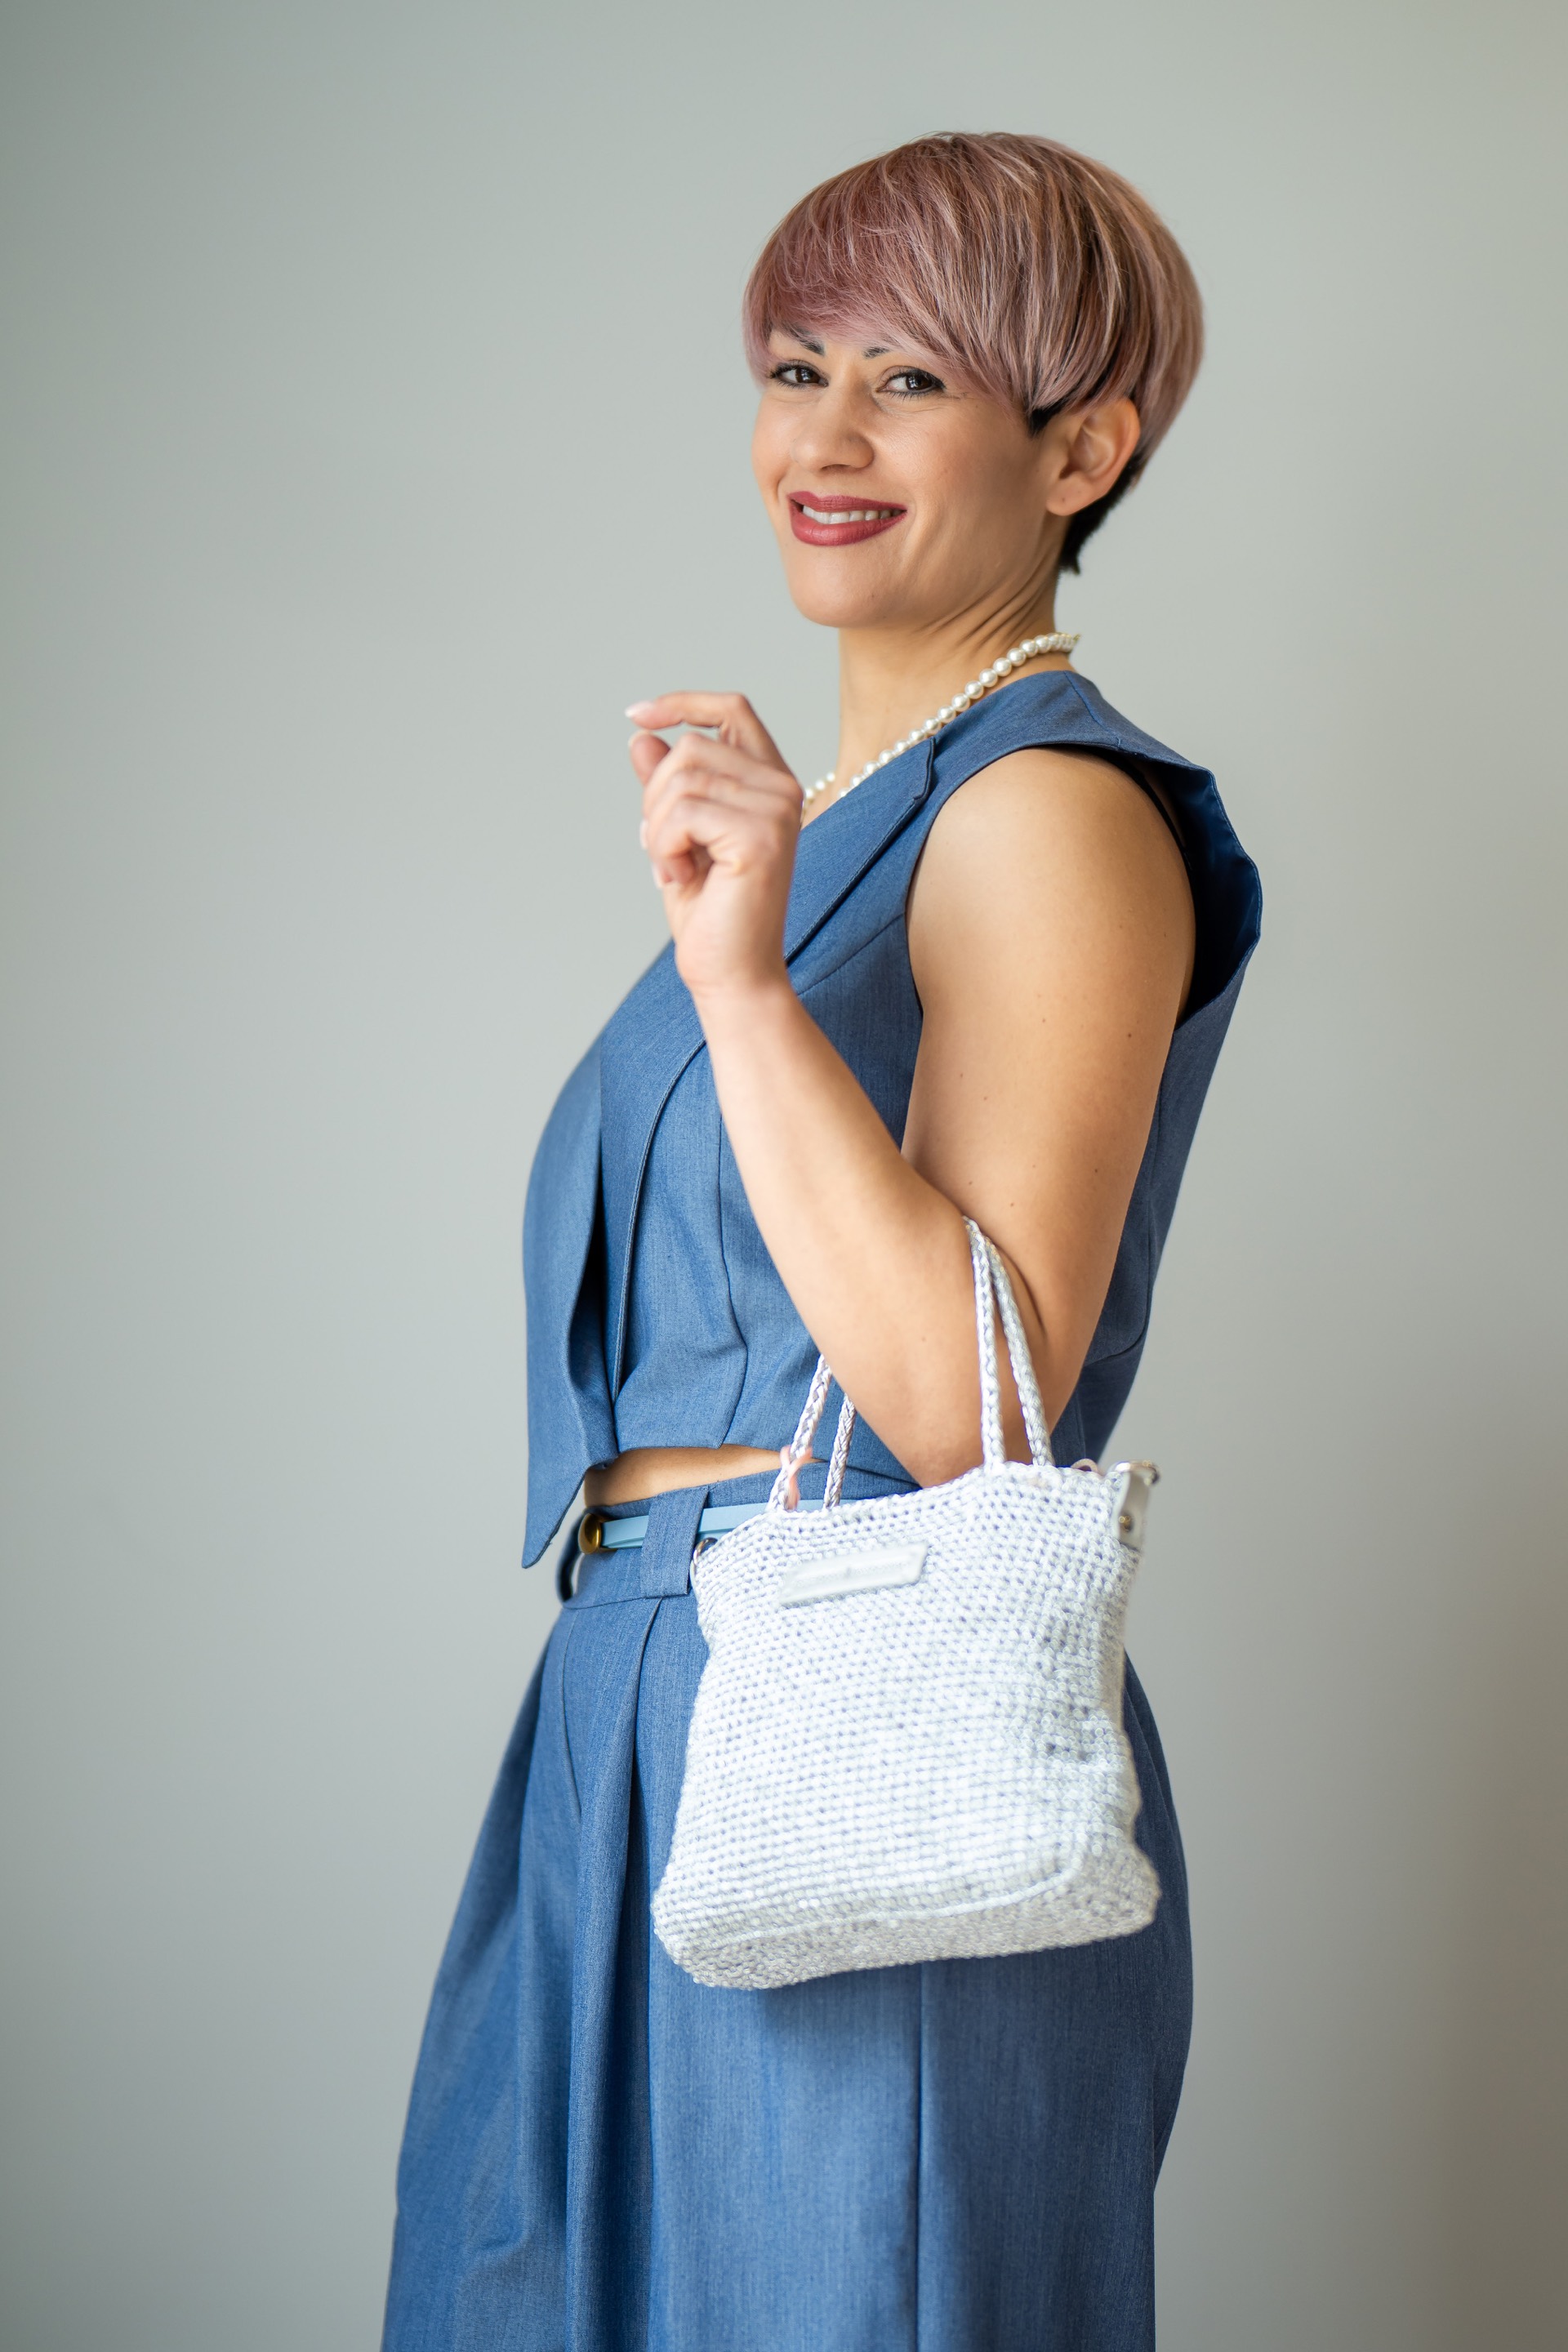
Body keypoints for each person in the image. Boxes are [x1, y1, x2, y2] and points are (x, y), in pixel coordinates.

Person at [384, 131, 1262, 2352]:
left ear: (1084, 449)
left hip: (864, 1730)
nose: (828, 435)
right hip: (637, 1706)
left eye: (912, 378)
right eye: (797, 368)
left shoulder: (1047, 812)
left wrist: (747, 994)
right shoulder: (843, 828)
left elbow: (970, 1404)